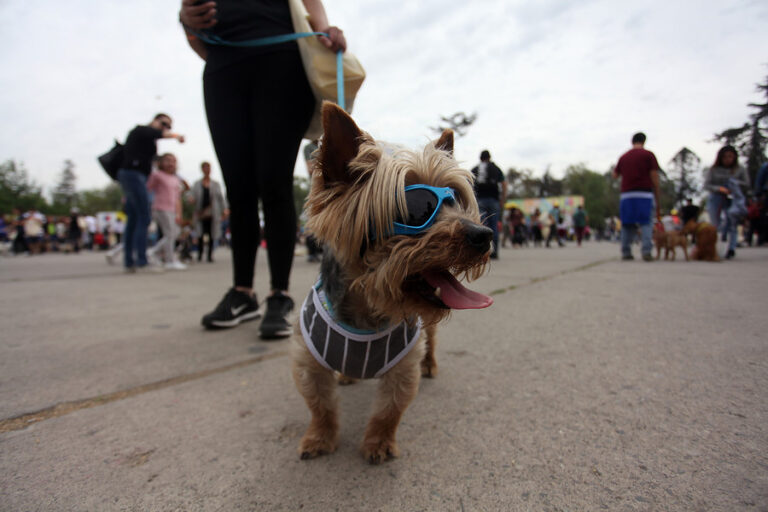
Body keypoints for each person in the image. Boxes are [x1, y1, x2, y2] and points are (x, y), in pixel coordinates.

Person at [179, 0, 347, 338]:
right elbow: (193, 23)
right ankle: (243, 292)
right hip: (223, 64)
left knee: (274, 182)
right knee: (238, 189)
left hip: (282, 59)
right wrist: (185, 21)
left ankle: (279, 294)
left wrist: (324, 26)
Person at [117, 113, 185, 272]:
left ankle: (129, 262)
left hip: (135, 176)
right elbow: (156, 133)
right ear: (155, 120)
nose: (166, 128)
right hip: (133, 175)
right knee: (144, 217)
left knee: (134, 219)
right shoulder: (142, 130)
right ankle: (142, 261)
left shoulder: (149, 141)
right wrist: (176, 136)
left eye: (169, 127)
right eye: (164, 124)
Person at [613, 132, 661, 261]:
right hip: (644, 193)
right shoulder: (648, 155)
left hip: (627, 195)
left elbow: (615, 175)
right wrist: (656, 192)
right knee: (646, 222)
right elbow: (654, 176)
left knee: (627, 224)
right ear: (644, 141)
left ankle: (626, 251)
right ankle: (646, 251)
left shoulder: (624, 157)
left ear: (632, 141)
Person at [703, 145, 751, 259]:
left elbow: (747, 184)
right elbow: (707, 185)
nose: (728, 159)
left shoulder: (740, 169)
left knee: (732, 224)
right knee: (716, 224)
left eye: (730, 156)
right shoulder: (714, 169)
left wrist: (734, 185)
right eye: (725, 157)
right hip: (716, 198)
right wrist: (719, 188)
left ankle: (731, 249)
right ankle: (715, 248)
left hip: (733, 199)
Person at [146, 153, 187, 270]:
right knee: (169, 233)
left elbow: (177, 198)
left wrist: (179, 214)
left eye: (173, 161)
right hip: (160, 207)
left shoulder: (175, 179)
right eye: (167, 160)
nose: (170, 163)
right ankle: (170, 260)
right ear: (161, 163)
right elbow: (147, 188)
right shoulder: (157, 175)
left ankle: (153, 251)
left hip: (172, 209)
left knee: (175, 233)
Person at [471, 150, 507, 259]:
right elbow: (504, 184)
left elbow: (468, 183)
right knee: (494, 226)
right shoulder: (496, 169)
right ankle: (495, 252)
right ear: (489, 157)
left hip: (480, 200)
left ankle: (483, 252)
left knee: (482, 225)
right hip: (494, 200)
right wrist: (503, 199)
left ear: (480, 158)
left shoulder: (475, 169)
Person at [190, 161, 226, 263]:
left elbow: (221, 198)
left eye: (208, 168)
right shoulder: (197, 184)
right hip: (200, 212)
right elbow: (191, 195)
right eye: (205, 168)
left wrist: (224, 209)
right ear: (202, 169)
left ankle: (210, 255)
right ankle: (200, 254)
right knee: (200, 234)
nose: (207, 170)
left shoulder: (215, 184)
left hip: (212, 213)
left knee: (211, 234)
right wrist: (191, 199)